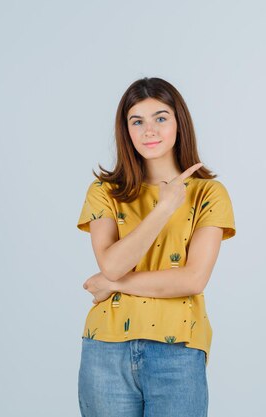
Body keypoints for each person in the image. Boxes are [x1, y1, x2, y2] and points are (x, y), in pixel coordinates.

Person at [75, 77, 236, 417]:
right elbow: (113, 265)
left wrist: (114, 285)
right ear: (126, 130)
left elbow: (193, 280)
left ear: (179, 123)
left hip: (178, 350)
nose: (149, 130)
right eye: (137, 121)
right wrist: (164, 208)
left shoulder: (209, 193)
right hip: (106, 348)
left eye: (160, 118)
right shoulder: (104, 191)